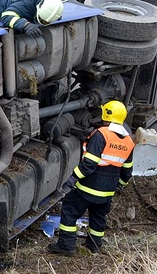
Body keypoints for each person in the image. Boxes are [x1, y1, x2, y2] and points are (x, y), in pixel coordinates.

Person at [48, 100, 134, 255]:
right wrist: (120, 184)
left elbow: (89, 164)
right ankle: (94, 245)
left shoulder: (101, 134)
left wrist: (73, 178)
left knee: (69, 209)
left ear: (106, 114)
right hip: (108, 190)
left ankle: (66, 246)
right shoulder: (128, 141)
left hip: (90, 185)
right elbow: (127, 170)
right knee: (98, 216)